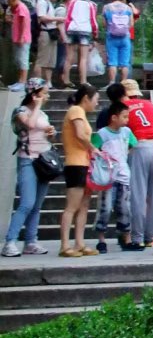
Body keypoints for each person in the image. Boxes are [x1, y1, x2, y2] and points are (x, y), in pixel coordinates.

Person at [2, 78, 55, 256]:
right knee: (27, 203)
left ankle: (31, 241)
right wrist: (37, 105)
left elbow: (44, 133)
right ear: (34, 94)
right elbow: (30, 124)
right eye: (44, 93)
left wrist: (51, 133)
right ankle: (10, 241)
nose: (47, 96)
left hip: (43, 161)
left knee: (37, 205)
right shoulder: (21, 111)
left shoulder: (43, 115)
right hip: (28, 159)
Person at [90, 100, 138, 252]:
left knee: (125, 208)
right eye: (124, 116)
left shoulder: (127, 132)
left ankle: (126, 238)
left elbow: (133, 144)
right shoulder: (102, 133)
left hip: (124, 175)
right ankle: (101, 239)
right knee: (105, 208)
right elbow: (93, 149)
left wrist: (123, 157)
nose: (127, 120)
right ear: (114, 117)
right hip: (108, 177)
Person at [60, 83, 98, 257]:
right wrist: (93, 148)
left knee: (83, 206)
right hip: (75, 163)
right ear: (86, 98)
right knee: (72, 206)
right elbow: (80, 134)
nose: (96, 103)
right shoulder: (76, 110)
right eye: (95, 99)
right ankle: (65, 245)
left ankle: (79, 243)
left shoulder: (80, 112)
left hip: (84, 163)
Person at [124, 78, 153, 249]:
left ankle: (137, 236)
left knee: (138, 193)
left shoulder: (124, 106)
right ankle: (152, 235)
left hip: (137, 147)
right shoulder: (149, 104)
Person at [64, 0, 98, 85]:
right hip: (84, 30)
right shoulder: (91, 4)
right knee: (83, 58)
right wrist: (95, 33)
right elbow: (93, 20)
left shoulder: (72, 2)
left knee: (69, 57)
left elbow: (68, 17)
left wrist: (67, 29)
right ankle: (83, 81)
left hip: (72, 29)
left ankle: (66, 80)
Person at [101, 0, 135, 85]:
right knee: (125, 63)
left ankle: (112, 83)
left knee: (112, 62)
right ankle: (124, 83)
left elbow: (104, 24)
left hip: (111, 38)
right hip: (125, 38)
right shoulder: (128, 8)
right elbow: (131, 24)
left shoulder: (106, 7)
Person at [33, 0, 62, 86]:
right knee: (42, 60)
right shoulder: (42, 3)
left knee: (50, 61)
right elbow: (42, 18)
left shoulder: (51, 5)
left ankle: (48, 81)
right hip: (45, 32)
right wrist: (58, 19)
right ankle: (38, 82)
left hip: (52, 33)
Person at [7, 0, 32, 91]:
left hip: (23, 39)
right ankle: (20, 81)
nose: (10, 5)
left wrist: (21, 37)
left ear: (13, 0)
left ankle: (23, 82)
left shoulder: (21, 8)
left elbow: (24, 23)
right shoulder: (17, 8)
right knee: (19, 60)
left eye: (10, 3)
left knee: (23, 60)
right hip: (17, 38)